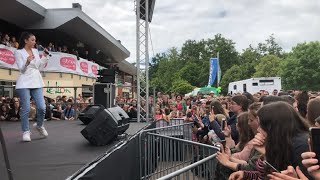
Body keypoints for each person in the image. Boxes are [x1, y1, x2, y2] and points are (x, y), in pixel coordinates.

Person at [14, 32, 49, 142]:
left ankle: (39, 125)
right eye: (32, 40)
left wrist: (45, 56)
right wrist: (27, 62)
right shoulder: (18, 52)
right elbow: (21, 69)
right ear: (26, 40)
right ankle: (26, 131)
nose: (34, 42)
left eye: (35, 40)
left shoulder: (35, 51)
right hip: (24, 82)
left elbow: (39, 66)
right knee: (26, 108)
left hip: (36, 80)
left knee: (42, 107)